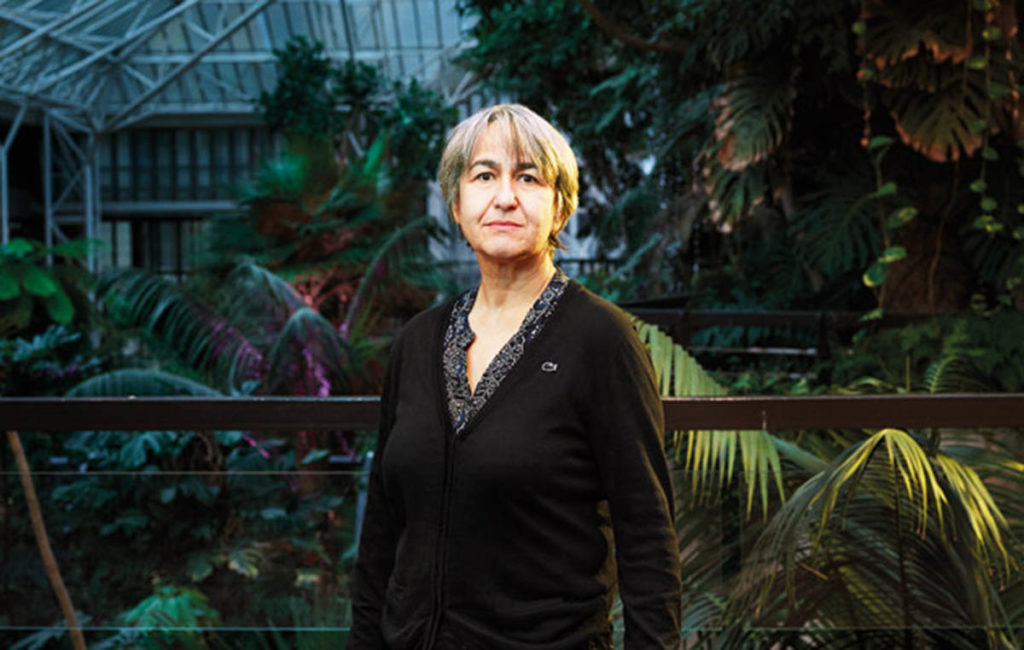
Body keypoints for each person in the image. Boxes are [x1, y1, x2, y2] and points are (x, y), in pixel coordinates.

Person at [348, 104, 681, 649]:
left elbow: (648, 539)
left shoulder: (601, 339)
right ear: (456, 204)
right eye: (484, 176)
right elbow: (381, 533)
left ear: (560, 207)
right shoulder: (416, 342)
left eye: (528, 177)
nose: (505, 197)